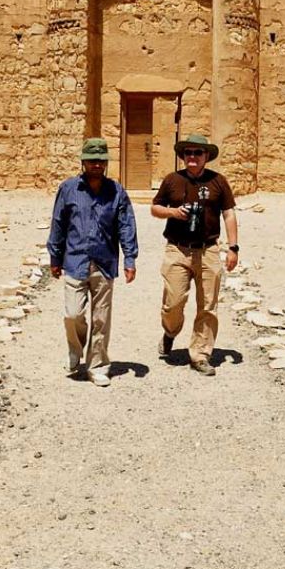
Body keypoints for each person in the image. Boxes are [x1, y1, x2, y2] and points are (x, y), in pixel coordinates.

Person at [47, 138, 138, 387]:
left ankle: (98, 365)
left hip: (104, 262)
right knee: (73, 314)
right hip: (75, 260)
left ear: (106, 163)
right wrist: (54, 256)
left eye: (101, 160)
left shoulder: (116, 191)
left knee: (101, 319)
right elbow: (58, 223)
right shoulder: (69, 189)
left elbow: (126, 226)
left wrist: (130, 258)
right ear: (83, 161)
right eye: (91, 160)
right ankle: (76, 349)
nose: (96, 164)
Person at [150, 133, 239, 376]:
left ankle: (200, 354)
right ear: (183, 156)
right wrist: (173, 213)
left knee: (208, 305)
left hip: (208, 249)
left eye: (197, 153)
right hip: (177, 249)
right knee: (173, 302)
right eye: (188, 152)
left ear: (206, 156)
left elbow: (229, 214)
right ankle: (170, 332)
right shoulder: (172, 180)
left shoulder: (218, 181)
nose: (192, 156)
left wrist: (233, 247)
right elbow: (154, 208)